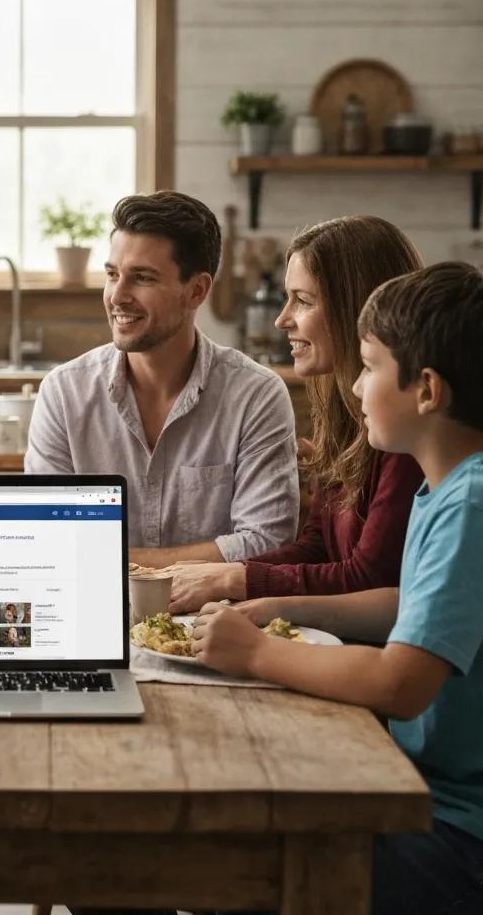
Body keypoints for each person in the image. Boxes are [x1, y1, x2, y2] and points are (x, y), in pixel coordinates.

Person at [192, 262, 483, 914]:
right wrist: (274, 606)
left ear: (427, 390)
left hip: (457, 828)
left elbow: (401, 685)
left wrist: (257, 654)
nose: (354, 385)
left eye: (371, 366)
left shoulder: (471, 502)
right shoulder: (446, 489)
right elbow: (411, 607)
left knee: (222, 861)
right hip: (423, 788)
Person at [25, 191, 299, 565]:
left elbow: (267, 541)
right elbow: (50, 539)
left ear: (197, 290)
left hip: (214, 618)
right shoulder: (64, 393)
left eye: (142, 278)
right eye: (112, 275)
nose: (117, 296)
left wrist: (117, 562)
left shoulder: (255, 395)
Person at [168, 216, 425, 613]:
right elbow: (318, 547)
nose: (281, 319)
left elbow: (369, 578)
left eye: (303, 301)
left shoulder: (405, 430)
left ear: (356, 308)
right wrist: (222, 575)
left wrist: (235, 579)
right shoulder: (345, 415)